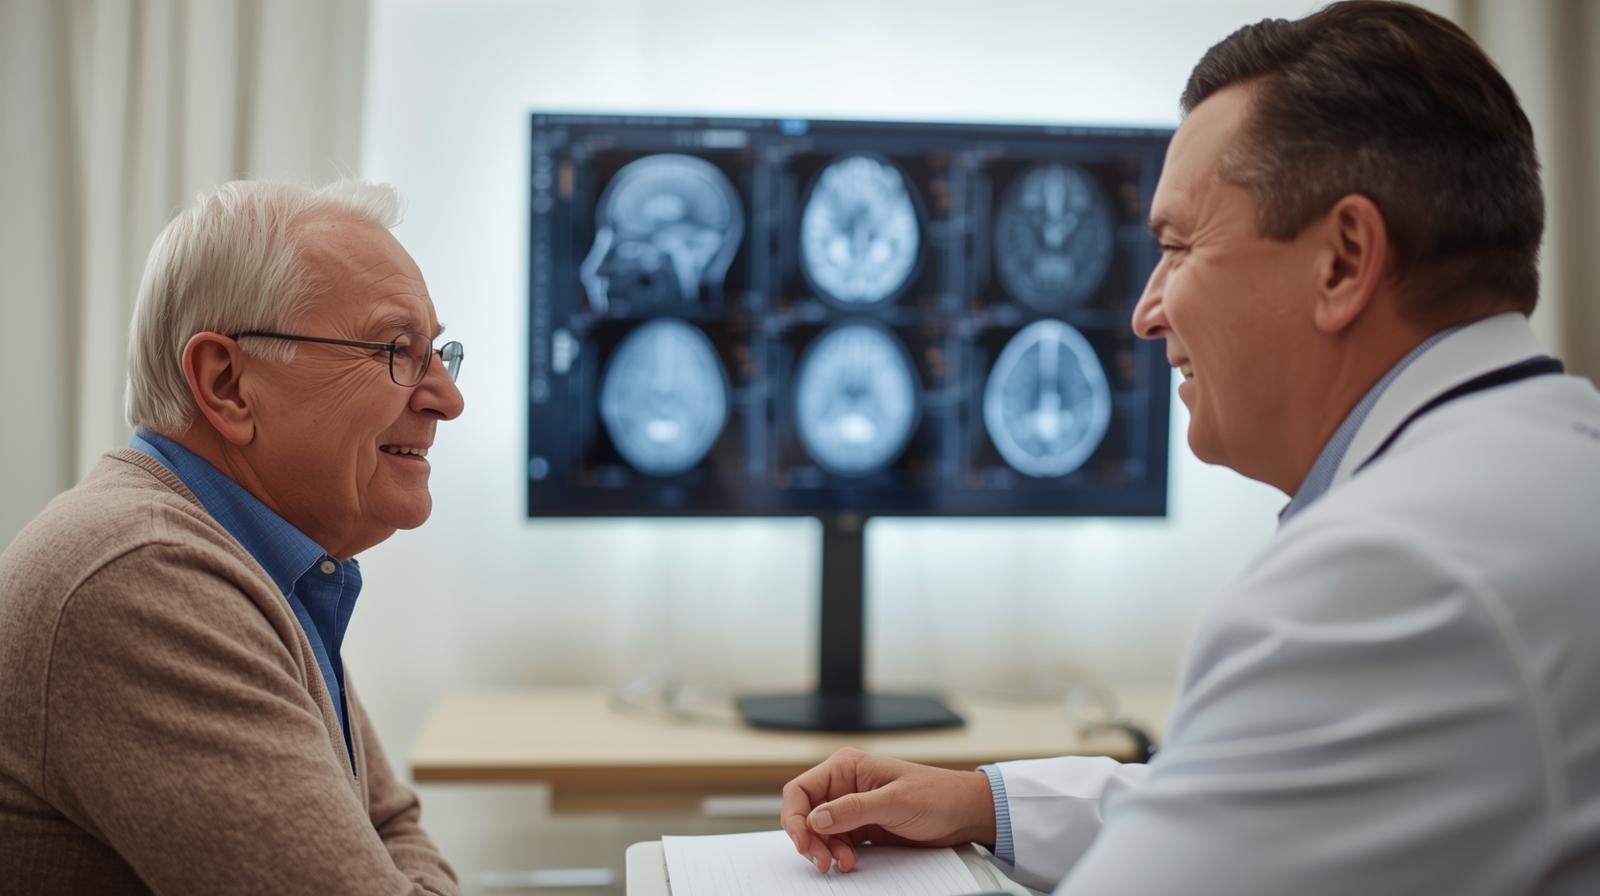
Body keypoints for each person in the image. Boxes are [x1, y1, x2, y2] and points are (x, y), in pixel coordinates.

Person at [780, 2, 1600, 893]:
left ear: (1343, 260)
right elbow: (1267, 800)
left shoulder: (1394, 573)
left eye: (1178, 247)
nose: (1144, 311)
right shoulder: (1546, 465)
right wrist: (988, 801)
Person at [0, 181, 466, 894]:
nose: (446, 398)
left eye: (438, 353)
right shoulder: (145, 581)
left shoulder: (257, 560)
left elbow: (390, 824)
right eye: (397, 351)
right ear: (225, 384)